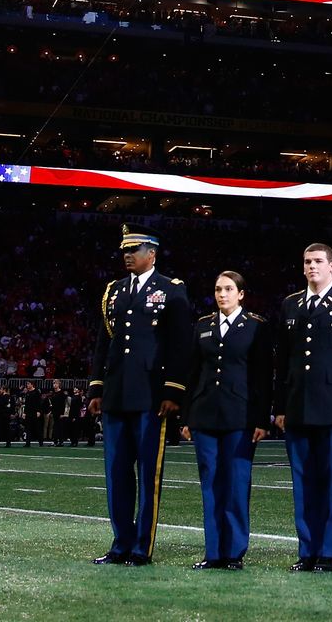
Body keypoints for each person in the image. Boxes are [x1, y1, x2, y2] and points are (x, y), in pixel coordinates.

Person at [87, 225, 194, 567]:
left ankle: (141, 547)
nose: (127, 255)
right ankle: (121, 543)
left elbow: (180, 344)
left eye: (134, 250)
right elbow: (105, 343)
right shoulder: (114, 291)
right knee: (117, 474)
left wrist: (174, 389)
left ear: (153, 253)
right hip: (116, 395)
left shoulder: (171, 290)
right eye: (124, 251)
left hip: (151, 396)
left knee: (150, 475)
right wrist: (96, 386)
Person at [274, 242, 332, 572]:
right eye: (307, 261)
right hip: (297, 406)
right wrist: (279, 407)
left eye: (317, 261)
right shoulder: (290, 304)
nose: (312, 266)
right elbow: (282, 362)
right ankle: (306, 549)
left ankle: (326, 551)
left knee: (330, 482)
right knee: (302, 482)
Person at [185, 269, 272, 571]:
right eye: (218, 289)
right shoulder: (202, 326)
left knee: (236, 484)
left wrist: (261, 419)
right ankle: (213, 552)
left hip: (241, 416)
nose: (222, 294)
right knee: (210, 484)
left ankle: (233, 552)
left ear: (241, 294)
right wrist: (187, 417)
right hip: (205, 415)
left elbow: (263, 377)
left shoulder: (256, 327)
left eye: (228, 289)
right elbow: (192, 373)